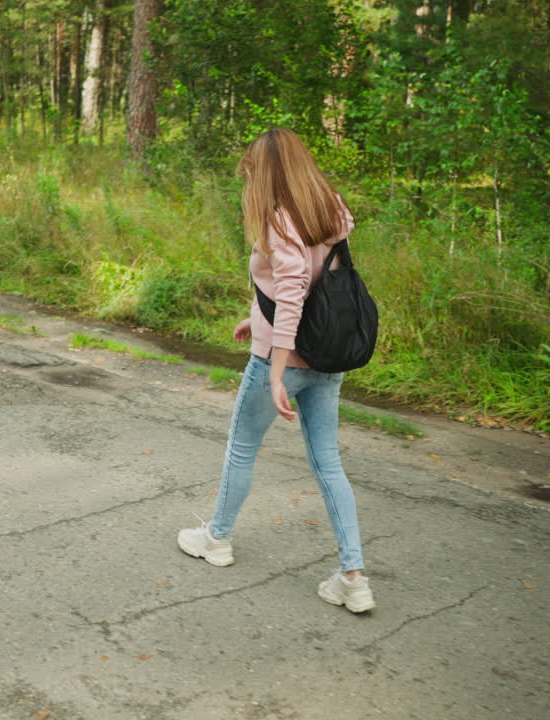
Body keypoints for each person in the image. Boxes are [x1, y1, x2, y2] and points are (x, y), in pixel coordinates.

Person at [177, 127, 374, 613]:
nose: (247, 181)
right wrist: (256, 315)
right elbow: (310, 283)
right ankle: (353, 577)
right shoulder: (330, 208)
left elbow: (291, 296)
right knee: (328, 463)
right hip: (329, 356)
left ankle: (217, 539)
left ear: (266, 172)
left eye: (251, 171)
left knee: (242, 448)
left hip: (282, 361)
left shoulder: (277, 220)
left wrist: (276, 368)